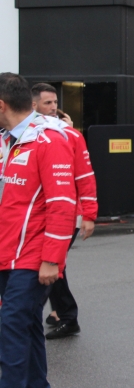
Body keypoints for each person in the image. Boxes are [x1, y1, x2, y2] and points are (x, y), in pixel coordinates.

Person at [0, 73, 76, 387]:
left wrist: (52, 259)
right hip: (8, 253)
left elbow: (62, 204)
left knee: (12, 324)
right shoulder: (7, 141)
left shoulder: (49, 139)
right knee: (28, 324)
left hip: (33, 257)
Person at [31, 83, 98, 340]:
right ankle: (61, 312)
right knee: (50, 265)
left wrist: (89, 215)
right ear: (33, 105)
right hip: (38, 216)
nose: (54, 108)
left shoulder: (70, 136)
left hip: (66, 215)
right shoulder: (25, 134)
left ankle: (68, 317)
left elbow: (85, 177)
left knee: (52, 264)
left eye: (55, 103)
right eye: (48, 103)